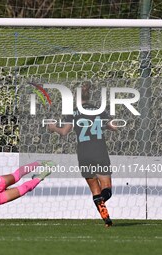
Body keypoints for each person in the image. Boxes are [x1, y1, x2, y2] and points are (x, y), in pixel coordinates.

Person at [47, 81, 117, 227]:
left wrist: (53, 128)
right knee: (107, 188)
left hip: (84, 154)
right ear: (89, 96)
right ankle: (103, 202)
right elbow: (113, 127)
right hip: (100, 151)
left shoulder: (73, 112)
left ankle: (107, 221)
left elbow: (64, 132)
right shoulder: (98, 110)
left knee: (95, 190)